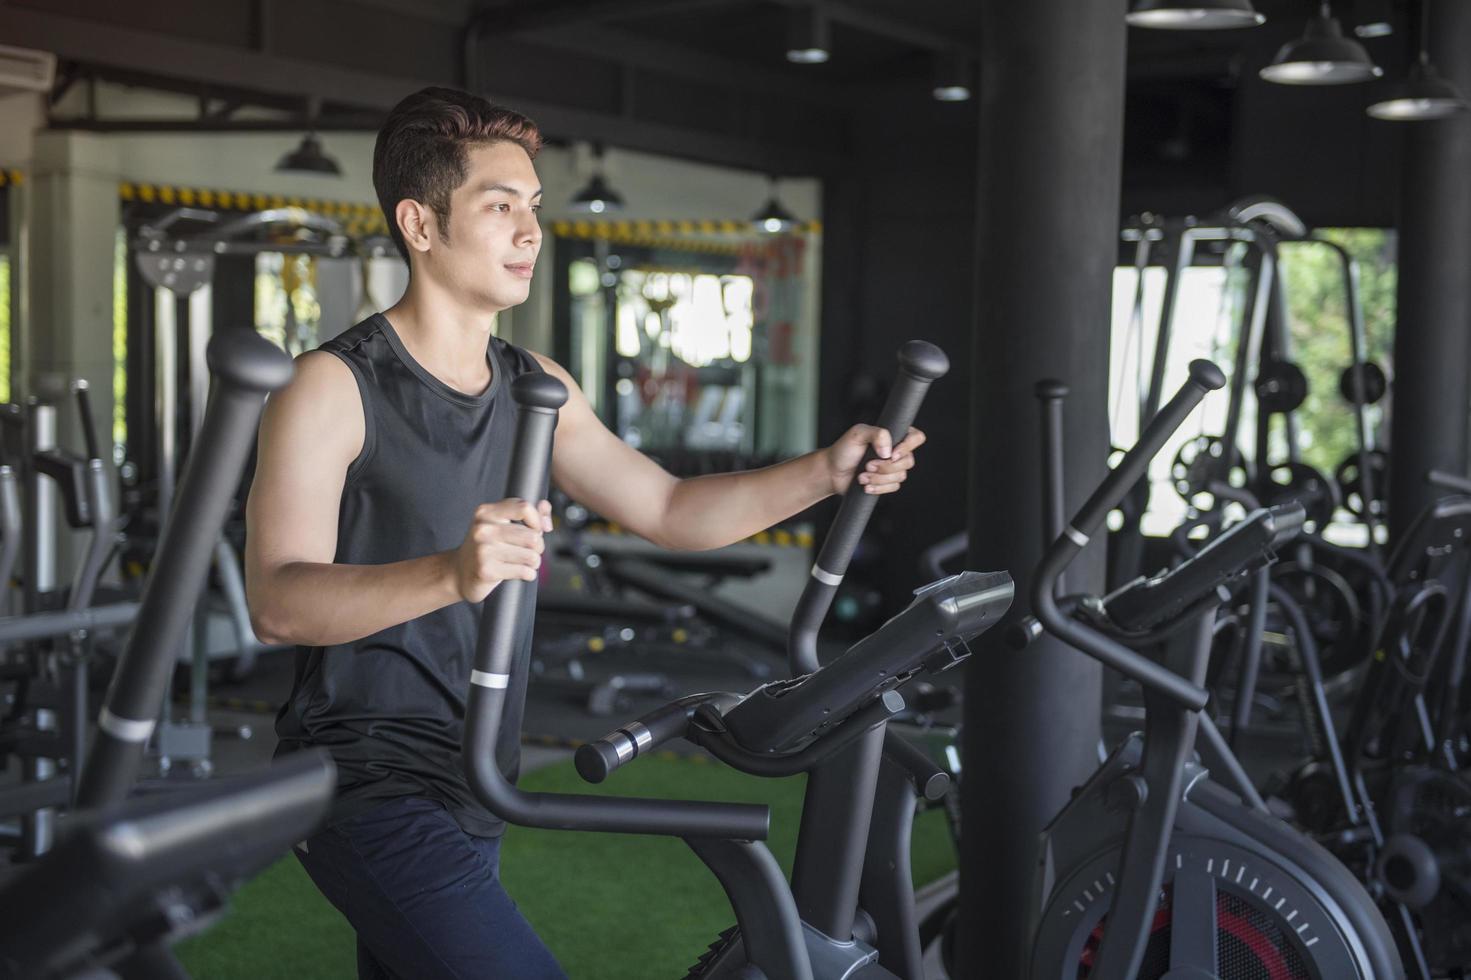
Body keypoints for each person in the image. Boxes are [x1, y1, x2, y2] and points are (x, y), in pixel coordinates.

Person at [244, 86, 926, 980]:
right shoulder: (330, 387)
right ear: (419, 222)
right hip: (366, 780)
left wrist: (825, 473)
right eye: (500, 207)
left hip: (478, 770)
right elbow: (276, 601)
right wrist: (452, 573)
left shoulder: (537, 384)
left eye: (533, 207)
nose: (531, 231)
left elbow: (671, 511)